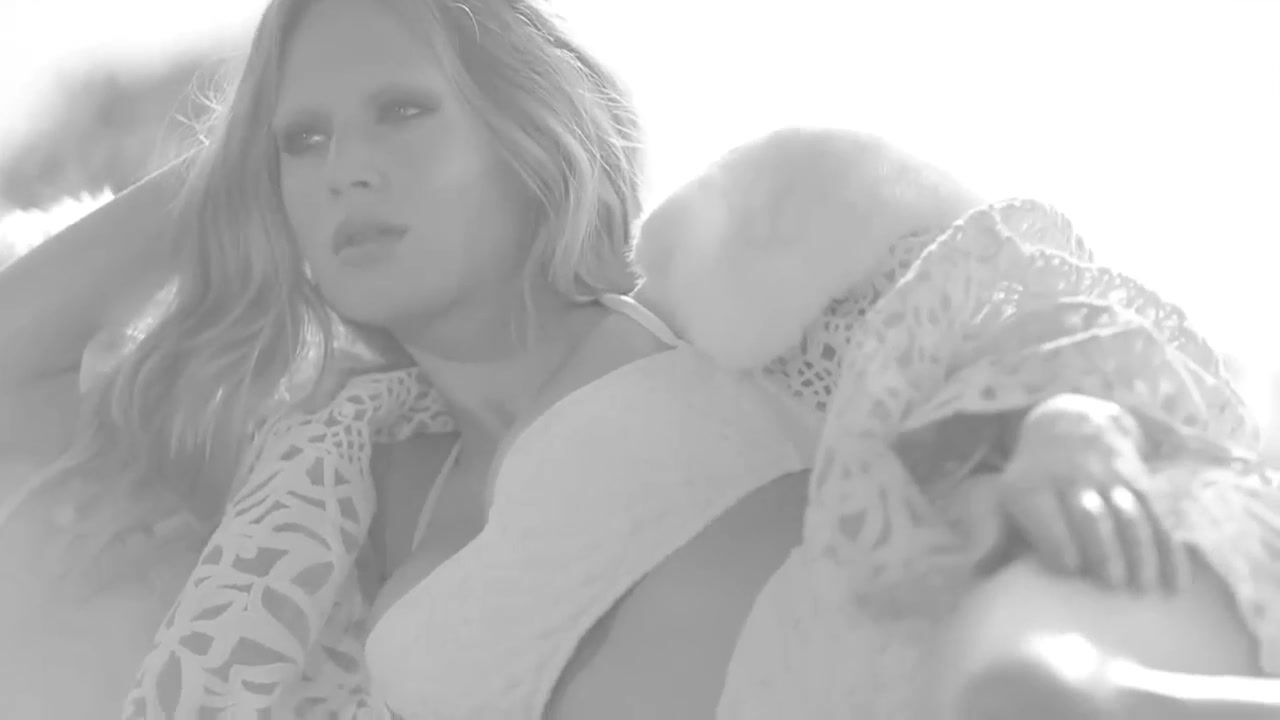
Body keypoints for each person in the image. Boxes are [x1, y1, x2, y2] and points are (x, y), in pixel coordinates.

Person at [0, 3, 1275, 720]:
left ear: (526, 135)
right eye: (306, 142)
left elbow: (998, 324)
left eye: (402, 110)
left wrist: (1063, 422)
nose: (349, 171)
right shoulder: (340, 502)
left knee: (1031, 686)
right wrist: (243, 150)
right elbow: (17, 350)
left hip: (961, 684)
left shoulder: (724, 299)